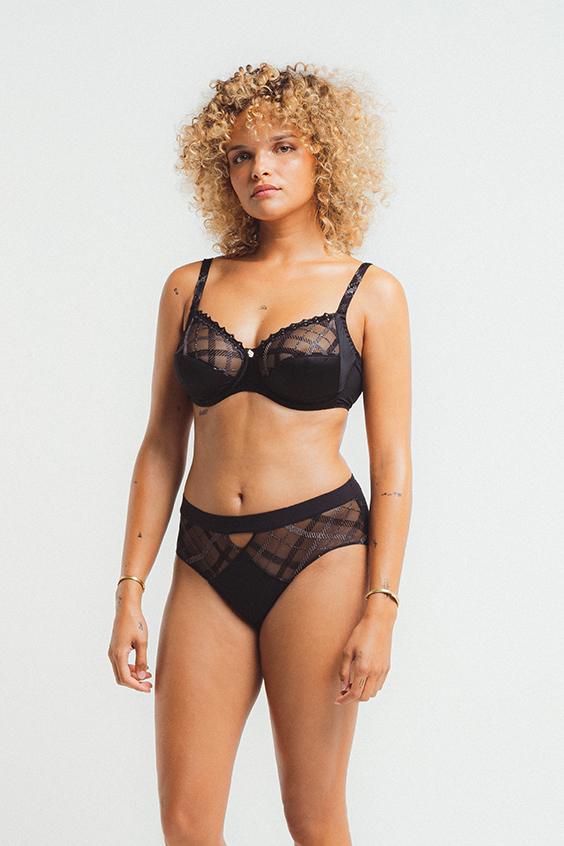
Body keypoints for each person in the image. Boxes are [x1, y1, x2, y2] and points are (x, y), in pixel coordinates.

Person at [108, 63, 411, 846]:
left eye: (282, 147)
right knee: (185, 823)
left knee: (311, 816)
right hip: (203, 551)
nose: (260, 169)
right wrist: (129, 589)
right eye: (240, 155)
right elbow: (160, 445)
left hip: (320, 549)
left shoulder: (370, 292)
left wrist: (381, 607)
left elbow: (394, 465)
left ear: (324, 155)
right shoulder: (190, 286)